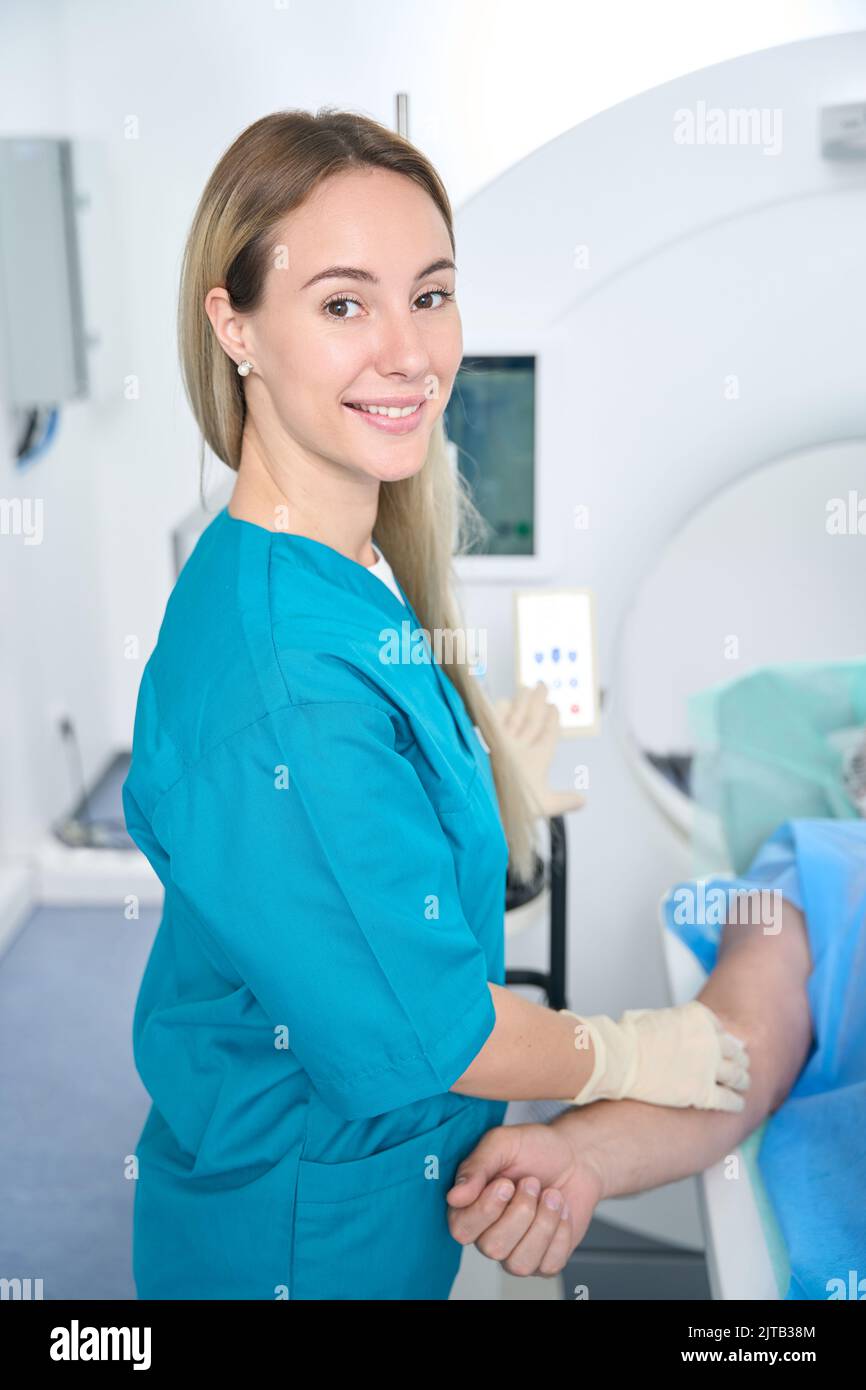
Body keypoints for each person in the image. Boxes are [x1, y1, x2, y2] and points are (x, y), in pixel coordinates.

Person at [123, 107, 748, 1302]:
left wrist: (480, 788)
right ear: (235, 323)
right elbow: (430, 1031)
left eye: (432, 293)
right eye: (344, 304)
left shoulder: (346, 569)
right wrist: (625, 1048)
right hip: (300, 1234)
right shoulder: (284, 679)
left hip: (382, 1191)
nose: (409, 352)